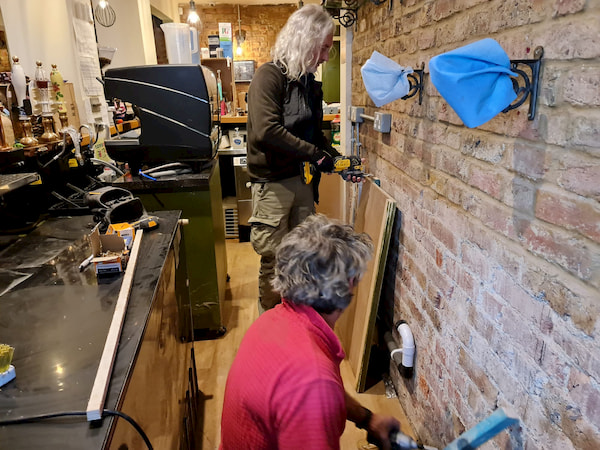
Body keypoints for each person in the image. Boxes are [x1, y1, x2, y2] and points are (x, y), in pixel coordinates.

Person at [220, 214, 401, 450]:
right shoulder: (313, 380)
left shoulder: (272, 321)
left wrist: (368, 419)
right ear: (348, 284)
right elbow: (314, 388)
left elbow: (322, 391)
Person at [246, 4, 362, 313]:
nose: (326, 56)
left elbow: (315, 137)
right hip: (272, 185)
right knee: (274, 257)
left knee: (302, 257)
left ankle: (295, 324)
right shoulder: (268, 77)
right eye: (323, 48)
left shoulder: (310, 85)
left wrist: (338, 161)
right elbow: (266, 131)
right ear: (305, 40)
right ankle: (270, 327)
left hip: (302, 183)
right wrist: (316, 156)